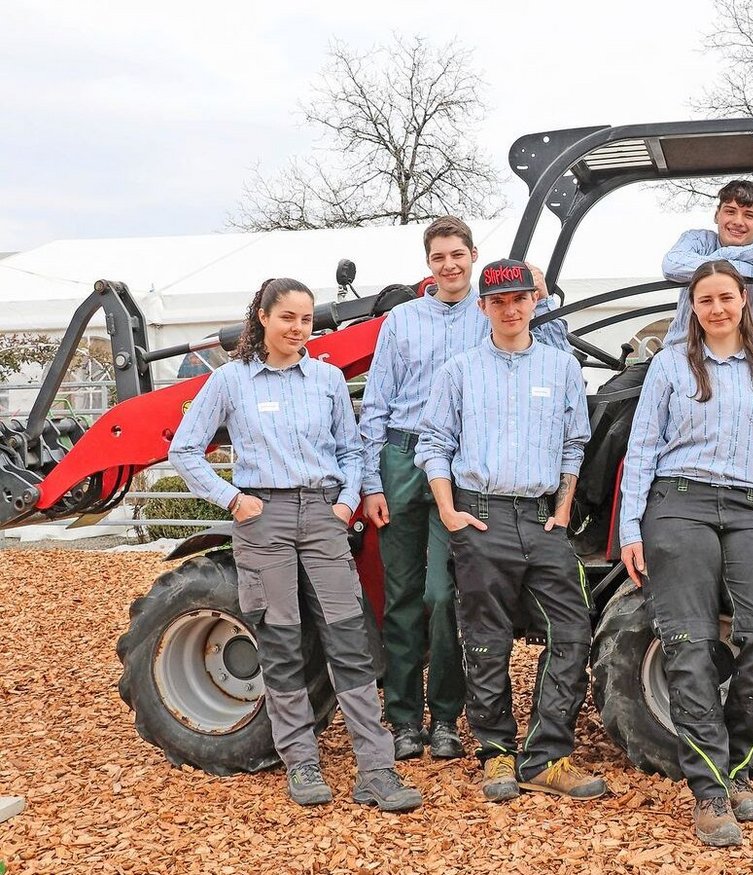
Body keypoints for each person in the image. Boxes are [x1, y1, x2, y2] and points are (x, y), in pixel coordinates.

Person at [170, 278, 421, 812]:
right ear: (261, 316)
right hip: (263, 518)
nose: (298, 328)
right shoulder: (230, 382)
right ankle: (302, 763)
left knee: (348, 638)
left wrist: (344, 502)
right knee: (282, 643)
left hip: (323, 515)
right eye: (287, 317)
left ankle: (376, 771)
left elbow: (351, 449)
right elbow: (185, 448)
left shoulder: (327, 379)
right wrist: (233, 500)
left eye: (306, 319)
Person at [359, 217, 567, 762]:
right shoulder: (402, 322)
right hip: (405, 458)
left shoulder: (495, 306)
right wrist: (371, 480)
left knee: (443, 594)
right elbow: (376, 404)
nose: (449, 265)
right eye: (438, 258)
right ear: (428, 265)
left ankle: (446, 715)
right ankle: (404, 718)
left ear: (473, 256)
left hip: (463, 465)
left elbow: (550, 348)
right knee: (400, 594)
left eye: (458, 255)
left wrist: (541, 294)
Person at [619, 260, 753, 847]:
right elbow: (643, 448)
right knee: (688, 645)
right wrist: (630, 529)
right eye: (705, 300)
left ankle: (739, 761)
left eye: (726, 297)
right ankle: (712, 790)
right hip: (680, 503)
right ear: (692, 308)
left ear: (744, 302)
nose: (717, 308)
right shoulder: (671, 366)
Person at [415, 258, 606, 803]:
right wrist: (451, 514)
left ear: (534, 302)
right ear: (483, 308)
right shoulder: (459, 371)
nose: (510, 308)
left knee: (571, 632)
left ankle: (546, 756)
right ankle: (497, 753)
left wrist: (565, 508)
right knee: (485, 640)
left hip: (543, 516)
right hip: (481, 514)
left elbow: (575, 443)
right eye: (498, 301)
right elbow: (434, 446)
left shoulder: (560, 367)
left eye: (519, 298)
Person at [660, 179, 753, 346]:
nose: (738, 221)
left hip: (737, 359)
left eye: (749, 215)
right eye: (730, 212)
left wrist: (726, 253)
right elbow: (672, 265)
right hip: (680, 351)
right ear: (717, 215)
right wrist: (749, 270)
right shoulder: (698, 240)